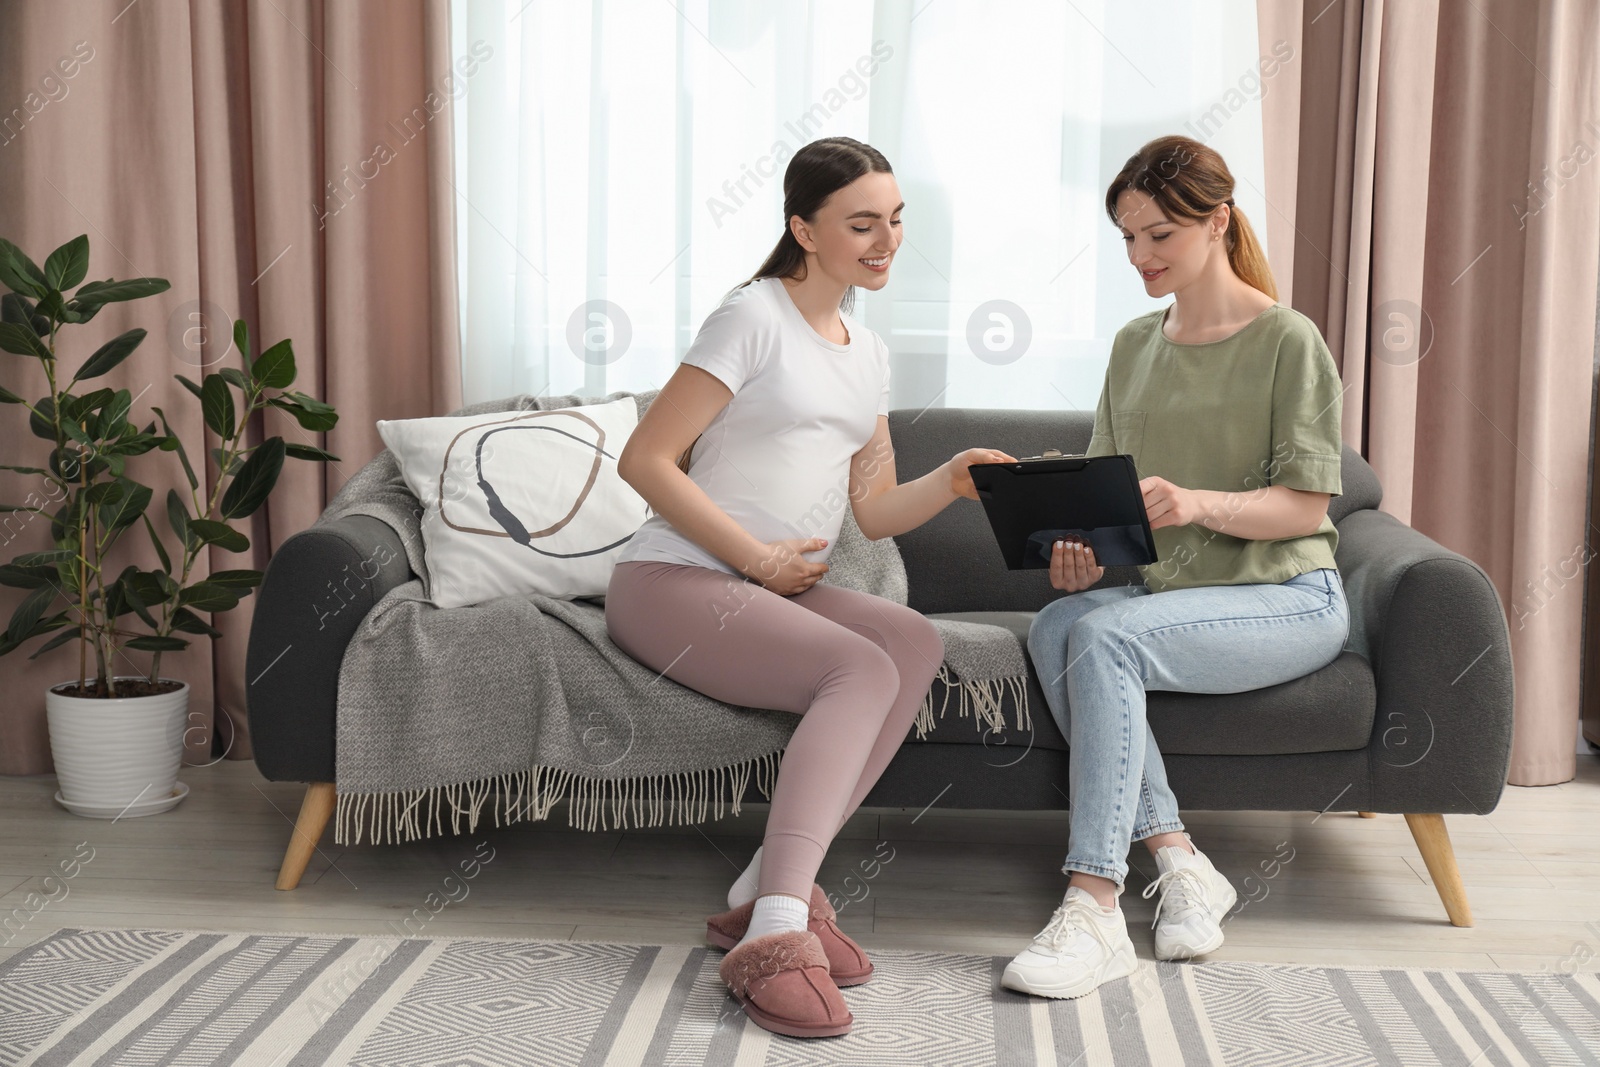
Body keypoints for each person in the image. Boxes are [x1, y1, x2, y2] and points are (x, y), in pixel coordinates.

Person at [605, 136, 1017, 1039]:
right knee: (857, 671)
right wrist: (754, 559)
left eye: (897, 219)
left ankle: (764, 885)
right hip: (673, 576)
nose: (887, 239)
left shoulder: (864, 350)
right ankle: (780, 926)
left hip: (776, 587)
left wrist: (951, 479)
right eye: (862, 222)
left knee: (912, 641)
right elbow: (646, 457)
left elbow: (871, 509)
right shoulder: (750, 316)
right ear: (803, 227)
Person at [1001, 134, 1351, 1000]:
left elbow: (1306, 507)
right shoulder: (1133, 345)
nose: (1139, 256)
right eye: (1127, 237)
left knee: (1108, 640)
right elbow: (1115, 507)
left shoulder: (1287, 340)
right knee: (1060, 621)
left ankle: (1093, 903)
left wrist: (1200, 502)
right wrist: (1080, 555)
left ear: (1218, 221)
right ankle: (1181, 859)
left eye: (1158, 234)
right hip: (1167, 598)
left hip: (1287, 598)